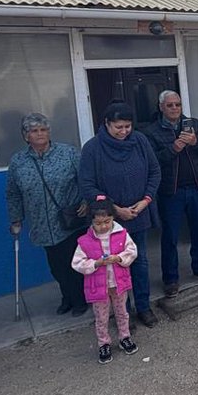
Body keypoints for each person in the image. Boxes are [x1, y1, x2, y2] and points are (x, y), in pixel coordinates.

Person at [79, 101, 161, 328]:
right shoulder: (93, 148)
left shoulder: (140, 141)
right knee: (114, 269)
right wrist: (115, 210)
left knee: (140, 262)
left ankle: (144, 307)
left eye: (127, 126)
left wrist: (145, 201)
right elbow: (87, 185)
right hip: (109, 222)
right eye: (118, 127)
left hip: (138, 214)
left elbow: (155, 172)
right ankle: (122, 313)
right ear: (106, 124)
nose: (124, 131)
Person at [5, 113, 89, 318]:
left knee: (74, 263)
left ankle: (79, 300)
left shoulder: (68, 153)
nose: (40, 134)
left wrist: (88, 201)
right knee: (57, 267)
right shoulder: (18, 162)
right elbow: (13, 192)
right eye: (34, 131)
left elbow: (86, 178)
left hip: (70, 220)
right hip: (42, 223)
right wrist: (16, 218)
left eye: (43, 130)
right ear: (26, 136)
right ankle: (67, 297)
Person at [145, 90, 198, 296]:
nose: (175, 108)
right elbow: (152, 162)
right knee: (170, 236)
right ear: (161, 107)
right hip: (170, 192)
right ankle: (171, 279)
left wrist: (196, 142)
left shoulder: (192, 124)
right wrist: (172, 149)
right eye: (170, 105)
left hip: (195, 188)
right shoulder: (152, 132)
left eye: (177, 104)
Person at [72, 197, 139, 364]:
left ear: (113, 218)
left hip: (118, 283)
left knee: (122, 312)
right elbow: (77, 263)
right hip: (98, 287)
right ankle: (104, 343)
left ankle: (125, 337)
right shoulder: (85, 241)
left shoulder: (121, 234)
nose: (103, 226)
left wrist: (119, 258)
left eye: (107, 222)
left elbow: (132, 251)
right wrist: (95, 263)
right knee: (101, 317)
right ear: (92, 222)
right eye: (98, 223)